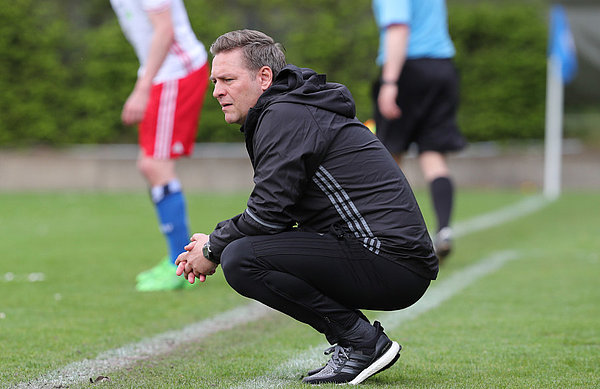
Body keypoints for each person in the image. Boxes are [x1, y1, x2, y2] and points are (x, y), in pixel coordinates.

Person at [175, 29, 438, 385]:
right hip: (391, 257)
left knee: (240, 259)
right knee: (241, 251)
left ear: (264, 77)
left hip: (389, 259)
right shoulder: (290, 108)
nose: (217, 91)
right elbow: (277, 215)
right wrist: (217, 242)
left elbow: (267, 212)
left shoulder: (285, 114)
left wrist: (212, 247)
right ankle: (359, 342)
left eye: (228, 79)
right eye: (215, 81)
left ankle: (362, 343)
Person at [110, 0, 209, 291]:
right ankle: (177, 260)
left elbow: (165, 30)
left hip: (176, 74)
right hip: (164, 76)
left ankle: (179, 264)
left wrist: (142, 88)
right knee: (150, 165)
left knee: (155, 165)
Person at [372, 0, 467, 262]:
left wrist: (390, 81)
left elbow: (399, 28)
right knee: (433, 156)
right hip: (442, 68)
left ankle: (393, 238)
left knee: (389, 159)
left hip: (408, 69)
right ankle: (444, 230)